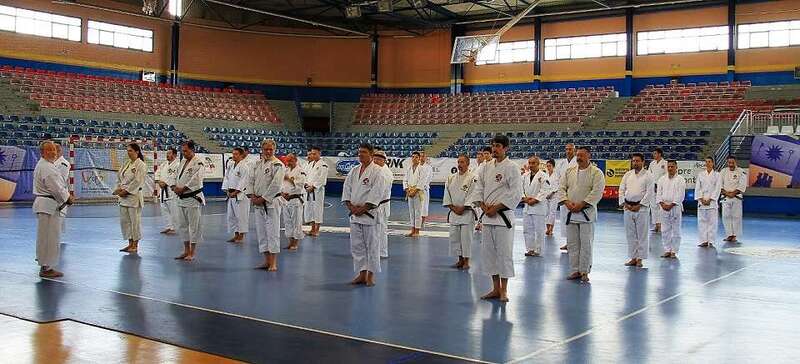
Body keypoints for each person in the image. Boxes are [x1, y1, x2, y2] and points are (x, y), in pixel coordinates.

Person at [468, 135, 521, 302]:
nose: (494, 149)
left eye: (498, 146)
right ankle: (495, 288)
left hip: (503, 217)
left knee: (504, 254)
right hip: (488, 217)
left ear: (505, 148)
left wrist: (496, 208)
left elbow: (516, 193)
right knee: (489, 254)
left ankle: (504, 290)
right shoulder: (485, 167)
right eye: (493, 145)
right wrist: (484, 207)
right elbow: (479, 188)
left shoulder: (512, 167)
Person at [342, 143, 387, 287]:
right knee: (357, 246)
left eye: (364, 152)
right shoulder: (354, 170)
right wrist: (350, 206)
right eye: (359, 152)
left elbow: (377, 192)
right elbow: (347, 189)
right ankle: (361, 274)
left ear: (371, 154)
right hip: (355, 214)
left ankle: (370, 276)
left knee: (372, 246)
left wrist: (364, 208)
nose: (360, 154)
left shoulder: (378, 172)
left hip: (369, 214)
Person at [560, 146, 605, 282]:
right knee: (572, 244)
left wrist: (582, 204)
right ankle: (575, 270)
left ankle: (584, 271)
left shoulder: (596, 173)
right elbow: (561, 188)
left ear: (589, 156)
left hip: (586, 213)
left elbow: (597, 191)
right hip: (571, 212)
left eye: (582, 155)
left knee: (586, 244)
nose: (579, 158)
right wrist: (567, 202)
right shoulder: (569, 171)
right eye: (577, 155)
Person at [33, 140, 74, 278]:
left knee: (46, 237)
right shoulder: (47, 167)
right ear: (42, 152)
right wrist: (68, 198)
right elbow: (56, 188)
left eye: (54, 150)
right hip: (49, 205)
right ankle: (47, 267)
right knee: (51, 238)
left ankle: (44, 264)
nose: (52, 152)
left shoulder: (46, 165)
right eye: (49, 150)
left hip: (47, 205)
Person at [246, 139, 285, 270]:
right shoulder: (256, 164)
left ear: (274, 150)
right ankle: (267, 261)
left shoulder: (278, 165)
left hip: (271, 203)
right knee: (261, 233)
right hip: (258, 202)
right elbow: (250, 180)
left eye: (270, 149)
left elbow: (276, 185)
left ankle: (273, 263)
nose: (268, 152)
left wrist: (263, 198)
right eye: (266, 149)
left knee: (272, 232)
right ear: (261, 150)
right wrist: (252, 195)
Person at [619, 153, 655, 268]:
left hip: (641, 209)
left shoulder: (648, 175)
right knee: (630, 234)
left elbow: (650, 192)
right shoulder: (628, 175)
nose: (635, 163)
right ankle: (633, 257)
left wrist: (640, 205)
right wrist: (624, 203)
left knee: (642, 234)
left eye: (637, 161)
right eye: (633, 161)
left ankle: (640, 258)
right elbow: (621, 189)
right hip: (628, 207)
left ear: (643, 162)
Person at [172, 140, 205, 261]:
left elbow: (196, 179)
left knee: (194, 226)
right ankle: (186, 250)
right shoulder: (182, 161)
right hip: (181, 198)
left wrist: (183, 188)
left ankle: (192, 252)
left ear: (192, 150)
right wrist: (175, 187)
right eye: (183, 151)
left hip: (192, 198)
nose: (184, 153)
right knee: (182, 226)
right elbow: (176, 176)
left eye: (186, 151)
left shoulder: (199, 162)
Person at [443, 154, 476, 270]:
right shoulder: (450, 178)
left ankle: (466, 261)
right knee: (455, 238)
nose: (459, 164)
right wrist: (452, 207)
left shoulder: (473, 178)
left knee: (466, 239)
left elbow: (473, 194)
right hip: (454, 212)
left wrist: (463, 207)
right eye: (458, 162)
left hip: (467, 212)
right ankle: (460, 260)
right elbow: (447, 195)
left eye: (462, 162)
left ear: (468, 164)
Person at [114, 143, 147, 254]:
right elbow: (120, 177)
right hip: (123, 198)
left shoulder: (141, 165)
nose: (128, 153)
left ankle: (135, 245)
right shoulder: (127, 163)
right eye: (127, 151)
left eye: (130, 151)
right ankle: (130, 244)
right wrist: (119, 189)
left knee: (135, 222)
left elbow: (138, 181)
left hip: (134, 197)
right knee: (125, 222)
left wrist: (126, 191)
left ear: (137, 151)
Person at [656, 160, 686, 258]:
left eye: (672, 166)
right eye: (668, 166)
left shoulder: (680, 180)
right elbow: (658, 193)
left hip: (675, 207)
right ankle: (667, 249)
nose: (670, 168)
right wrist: (662, 204)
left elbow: (680, 195)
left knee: (676, 230)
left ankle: (674, 251)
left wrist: (671, 204)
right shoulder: (661, 179)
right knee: (665, 229)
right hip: (663, 207)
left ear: (676, 167)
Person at [521, 156, 548, 257]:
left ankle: (538, 250)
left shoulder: (543, 176)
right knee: (527, 229)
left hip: (538, 207)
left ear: (538, 164)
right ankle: (530, 249)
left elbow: (545, 190)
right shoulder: (525, 176)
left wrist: (535, 200)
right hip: (527, 206)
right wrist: (524, 198)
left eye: (533, 163)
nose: (531, 165)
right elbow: (520, 188)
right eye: (530, 163)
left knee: (539, 230)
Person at [222, 147, 250, 244]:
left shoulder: (244, 166)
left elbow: (244, 181)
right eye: (233, 154)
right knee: (232, 216)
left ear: (241, 155)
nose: (233, 156)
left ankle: (241, 236)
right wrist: (227, 190)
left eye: (236, 154)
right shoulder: (230, 165)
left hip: (240, 195)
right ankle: (235, 234)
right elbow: (226, 178)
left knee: (241, 216)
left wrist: (236, 192)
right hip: (231, 193)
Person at [281, 153, 306, 251]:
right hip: (285, 200)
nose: (288, 163)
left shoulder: (300, 171)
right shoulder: (286, 170)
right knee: (287, 222)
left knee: (296, 222)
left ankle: (295, 243)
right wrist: (282, 193)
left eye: (290, 161)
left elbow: (300, 186)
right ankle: (290, 242)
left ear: (295, 160)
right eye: (287, 161)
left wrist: (288, 179)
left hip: (295, 199)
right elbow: (281, 184)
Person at [696, 157, 722, 248]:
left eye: (709, 162)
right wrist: (701, 199)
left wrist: (711, 199)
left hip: (712, 202)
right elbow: (698, 188)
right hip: (702, 201)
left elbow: (717, 188)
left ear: (713, 163)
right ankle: (703, 240)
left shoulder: (717, 175)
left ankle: (711, 241)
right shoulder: (701, 174)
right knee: (702, 222)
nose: (707, 163)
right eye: (706, 162)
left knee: (712, 222)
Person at [556, 143, 578, 251]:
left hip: (574, 193)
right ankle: (568, 242)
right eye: (566, 149)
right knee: (565, 218)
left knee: (574, 219)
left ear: (574, 150)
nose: (568, 151)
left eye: (570, 149)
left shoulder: (577, 162)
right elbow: (558, 177)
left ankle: (575, 243)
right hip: (563, 194)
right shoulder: (561, 163)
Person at [720, 155, 746, 243]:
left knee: (736, 216)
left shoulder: (741, 171)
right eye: (729, 162)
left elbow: (742, 185)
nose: (731, 164)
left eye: (732, 162)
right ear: (727, 162)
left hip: (736, 197)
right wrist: (727, 193)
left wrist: (733, 193)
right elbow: (720, 184)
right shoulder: (723, 171)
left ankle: (734, 235)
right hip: (726, 197)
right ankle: (729, 234)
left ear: (736, 162)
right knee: (725, 216)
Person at [373, 149, 393, 259]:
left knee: (381, 230)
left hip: (382, 205)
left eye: (378, 159)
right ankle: (376, 251)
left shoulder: (386, 173)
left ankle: (382, 252)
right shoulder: (377, 171)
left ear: (384, 161)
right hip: (376, 204)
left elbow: (380, 192)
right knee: (375, 230)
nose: (375, 161)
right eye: (374, 159)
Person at [304, 146, 328, 237]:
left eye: (315, 154)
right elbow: (306, 176)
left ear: (319, 154)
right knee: (310, 210)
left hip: (317, 192)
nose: (313, 155)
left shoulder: (323, 165)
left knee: (317, 210)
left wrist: (313, 186)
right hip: (309, 190)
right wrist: (306, 184)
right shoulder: (310, 164)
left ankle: (317, 230)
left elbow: (322, 179)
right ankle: (312, 229)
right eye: (312, 154)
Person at [155, 148, 179, 235]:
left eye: (169, 153)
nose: (167, 155)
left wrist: (165, 183)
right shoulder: (164, 164)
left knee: (174, 210)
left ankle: (175, 228)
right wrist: (159, 181)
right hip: (163, 191)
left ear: (175, 155)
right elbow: (157, 173)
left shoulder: (177, 165)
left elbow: (175, 177)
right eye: (167, 153)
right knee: (164, 210)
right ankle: (168, 227)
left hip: (171, 190)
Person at [403, 151, 424, 237]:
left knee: (418, 212)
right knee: (411, 212)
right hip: (409, 191)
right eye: (413, 157)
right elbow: (405, 180)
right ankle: (412, 230)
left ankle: (417, 231)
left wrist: (414, 191)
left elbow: (422, 181)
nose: (414, 158)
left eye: (416, 157)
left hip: (417, 192)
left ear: (419, 159)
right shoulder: (408, 168)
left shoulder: (422, 169)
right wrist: (407, 190)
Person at [648, 148, 668, 233]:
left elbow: (667, 176)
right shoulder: (652, 164)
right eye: (653, 153)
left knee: (660, 206)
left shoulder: (665, 163)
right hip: (652, 186)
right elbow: (649, 175)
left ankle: (661, 225)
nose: (654, 155)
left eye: (655, 153)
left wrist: (660, 185)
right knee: (653, 206)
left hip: (661, 187)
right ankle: (656, 224)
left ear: (660, 154)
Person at [543, 159, 560, 236]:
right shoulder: (545, 175)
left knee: (552, 212)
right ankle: (547, 228)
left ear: (553, 166)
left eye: (550, 166)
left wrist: (552, 193)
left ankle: (551, 229)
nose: (548, 167)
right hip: (546, 196)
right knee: (546, 212)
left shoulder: (557, 175)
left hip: (554, 196)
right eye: (547, 166)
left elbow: (557, 186)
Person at [419, 151, 433, 227]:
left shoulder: (428, 167)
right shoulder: (416, 166)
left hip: (424, 189)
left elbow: (428, 178)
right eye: (420, 156)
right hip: (415, 189)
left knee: (424, 205)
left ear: (426, 158)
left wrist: (421, 186)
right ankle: (416, 221)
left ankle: (423, 221)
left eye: (423, 156)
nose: (422, 158)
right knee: (416, 205)